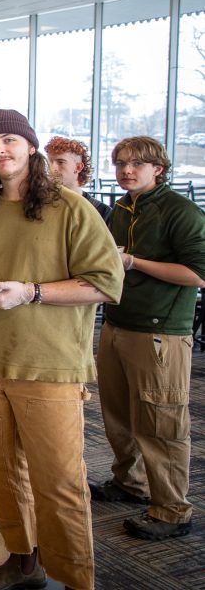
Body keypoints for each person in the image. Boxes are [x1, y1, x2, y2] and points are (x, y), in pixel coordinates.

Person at [0, 109, 122, 590]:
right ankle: (22, 562)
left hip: (49, 364)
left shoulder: (70, 208)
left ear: (30, 147)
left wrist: (30, 291)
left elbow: (107, 284)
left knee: (59, 482)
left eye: (9, 140)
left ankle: (76, 580)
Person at [91, 136, 204, 541]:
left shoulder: (182, 211)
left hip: (161, 332)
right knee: (118, 416)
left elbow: (197, 274)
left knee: (161, 422)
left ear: (159, 168)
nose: (126, 170)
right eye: (121, 162)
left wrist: (133, 262)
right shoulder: (122, 208)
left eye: (137, 163)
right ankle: (130, 483)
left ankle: (173, 509)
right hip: (118, 322)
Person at [45, 136, 111, 222]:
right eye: (49, 162)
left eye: (60, 162)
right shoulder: (42, 206)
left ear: (78, 167)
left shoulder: (101, 211)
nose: (52, 168)